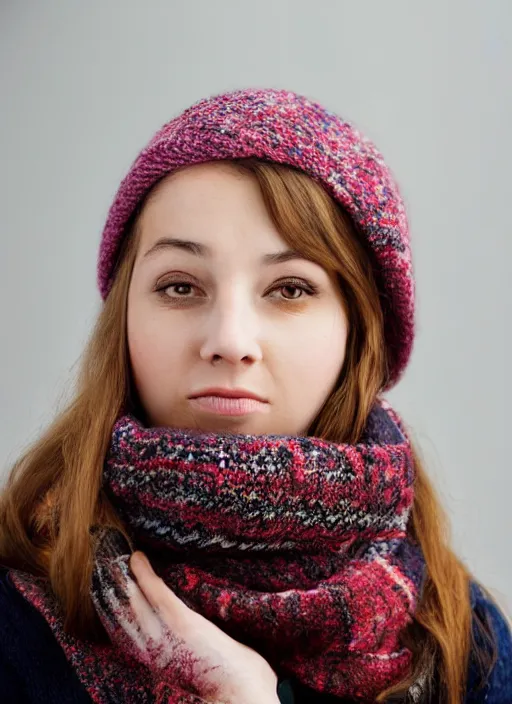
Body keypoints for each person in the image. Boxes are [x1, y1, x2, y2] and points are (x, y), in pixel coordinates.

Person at [0, 88, 510, 704]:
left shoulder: (463, 637)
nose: (230, 341)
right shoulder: (14, 616)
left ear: (359, 331)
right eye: (181, 286)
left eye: (290, 288)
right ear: (124, 319)